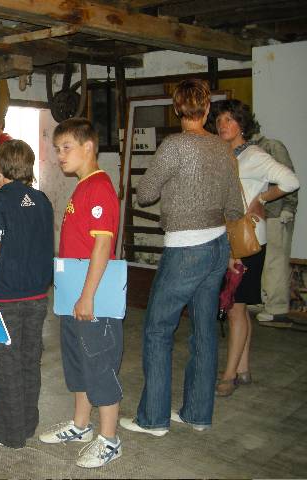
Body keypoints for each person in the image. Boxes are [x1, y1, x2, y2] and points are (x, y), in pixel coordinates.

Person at [119, 79, 242, 436]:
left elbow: (144, 194)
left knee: (158, 330)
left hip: (185, 248)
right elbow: (235, 205)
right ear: (206, 110)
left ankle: (154, 418)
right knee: (204, 331)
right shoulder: (223, 149)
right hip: (217, 245)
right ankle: (197, 413)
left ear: (177, 110)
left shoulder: (174, 146)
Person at [38, 118, 123, 468]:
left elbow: (103, 245)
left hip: (94, 296)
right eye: (57, 149)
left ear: (89, 147)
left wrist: (88, 295)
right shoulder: (83, 186)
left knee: (100, 364)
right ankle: (80, 426)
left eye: (66, 147)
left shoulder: (99, 188)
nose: (60, 155)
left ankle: (110, 439)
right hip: (75, 291)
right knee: (78, 363)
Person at [213, 100, 299, 396]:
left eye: (230, 120)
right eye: (220, 120)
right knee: (240, 308)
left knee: (235, 309)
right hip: (227, 241)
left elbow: (290, 180)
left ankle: (228, 376)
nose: (224, 125)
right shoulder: (223, 155)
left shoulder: (253, 155)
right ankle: (244, 368)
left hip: (247, 242)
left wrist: (261, 199)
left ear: (242, 124)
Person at [0, 140, 54, 449]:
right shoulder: (43, 200)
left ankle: (9, 434)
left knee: (4, 365)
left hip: (5, 297)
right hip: (37, 295)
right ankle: (27, 425)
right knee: (29, 361)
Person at [251, 134, 299, 324]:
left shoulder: (272, 146)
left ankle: (276, 307)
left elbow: (289, 177)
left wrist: (289, 207)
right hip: (259, 215)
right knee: (262, 261)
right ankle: (264, 301)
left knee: (275, 262)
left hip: (277, 213)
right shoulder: (246, 149)